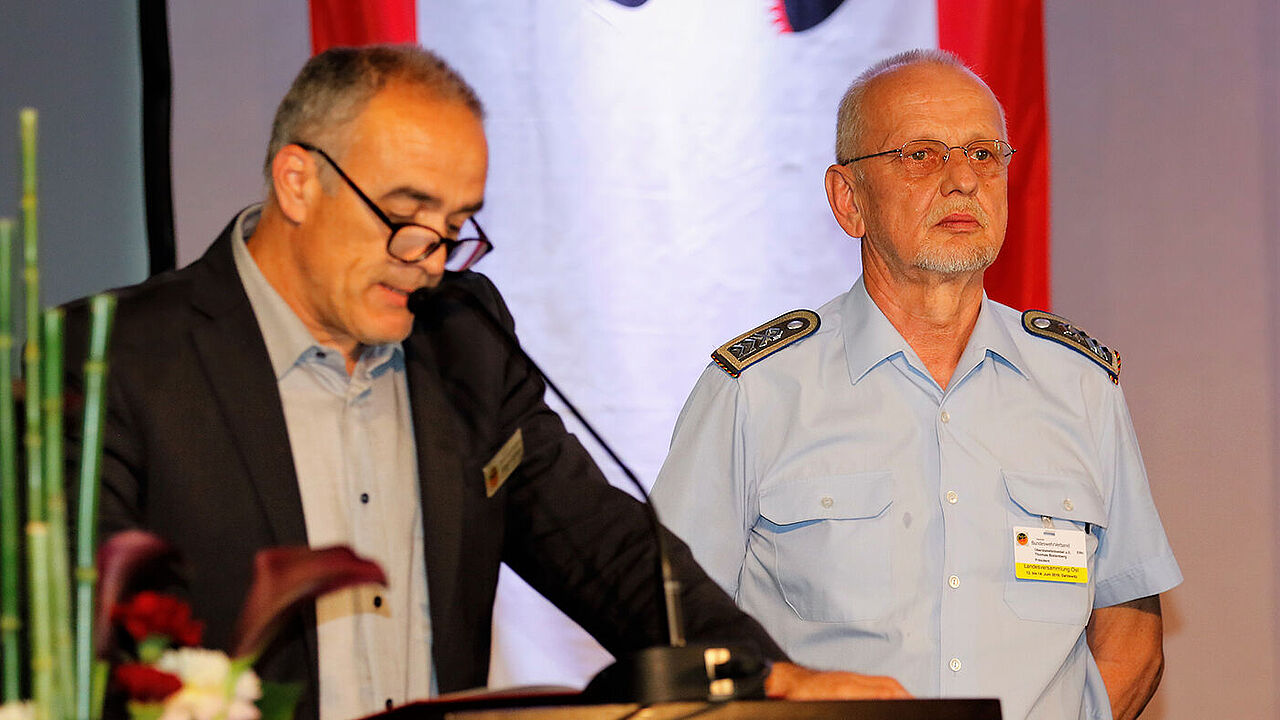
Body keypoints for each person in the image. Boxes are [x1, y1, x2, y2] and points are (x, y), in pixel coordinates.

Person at [63, 45, 908, 720]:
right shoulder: (115, 359)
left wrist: (767, 679)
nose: (430, 256)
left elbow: (605, 551)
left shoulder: (460, 341)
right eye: (405, 212)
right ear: (299, 181)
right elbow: (86, 648)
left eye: (458, 224)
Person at [651, 49, 1182, 720]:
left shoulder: (1080, 384)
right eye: (922, 155)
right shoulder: (755, 390)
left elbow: (1130, 624)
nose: (963, 180)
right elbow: (671, 631)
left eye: (985, 155)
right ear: (849, 200)